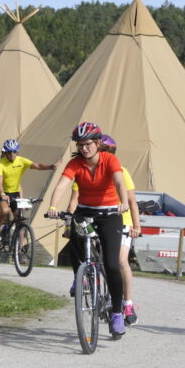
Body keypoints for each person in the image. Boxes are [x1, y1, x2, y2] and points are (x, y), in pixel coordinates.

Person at [47, 122, 130, 337]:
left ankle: (118, 313)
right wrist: (53, 206)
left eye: (88, 144)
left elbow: (120, 182)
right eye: (80, 144)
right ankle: (79, 277)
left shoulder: (109, 160)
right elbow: (63, 184)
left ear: (98, 143)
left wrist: (124, 202)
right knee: (74, 234)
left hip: (110, 213)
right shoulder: (75, 163)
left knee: (112, 264)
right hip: (86, 211)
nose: (84, 148)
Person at [66, 134, 141, 325]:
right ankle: (84, 276)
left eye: (109, 152)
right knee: (83, 244)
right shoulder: (84, 169)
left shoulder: (121, 171)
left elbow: (131, 201)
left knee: (119, 261)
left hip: (120, 219)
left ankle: (127, 303)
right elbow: (75, 197)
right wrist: (70, 221)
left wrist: (136, 225)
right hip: (94, 216)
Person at [0, 139, 60, 245]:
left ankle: (19, 250)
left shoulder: (21, 161)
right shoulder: (0, 164)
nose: (12, 154)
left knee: (20, 221)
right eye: (10, 152)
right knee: (5, 211)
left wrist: (50, 167)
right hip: (2, 192)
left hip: (15, 193)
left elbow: (37, 166)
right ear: (6, 153)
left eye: (15, 152)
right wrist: (3, 194)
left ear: (17, 152)